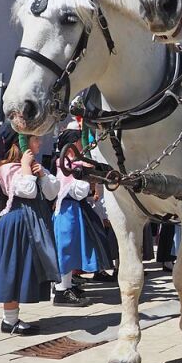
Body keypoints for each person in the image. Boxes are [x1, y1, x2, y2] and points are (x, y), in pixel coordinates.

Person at [0, 133, 60, 335]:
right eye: (35, 139)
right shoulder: (6, 168)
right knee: (14, 270)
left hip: (34, 224)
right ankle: (9, 320)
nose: (40, 142)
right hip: (17, 223)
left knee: (26, 270)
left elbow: (52, 193)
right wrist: (26, 167)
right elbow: (28, 191)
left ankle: (12, 318)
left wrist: (41, 173)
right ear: (21, 144)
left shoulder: (34, 167)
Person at [51, 127, 113, 307]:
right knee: (66, 247)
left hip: (74, 209)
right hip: (68, 210)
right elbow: (75, 191)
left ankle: (68, 285)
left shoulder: (72, 163)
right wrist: (87, 178)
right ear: (71, 145)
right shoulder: (65, 164)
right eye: (78, 141)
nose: (81, 144)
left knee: (73, 247)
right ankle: (61, 290)